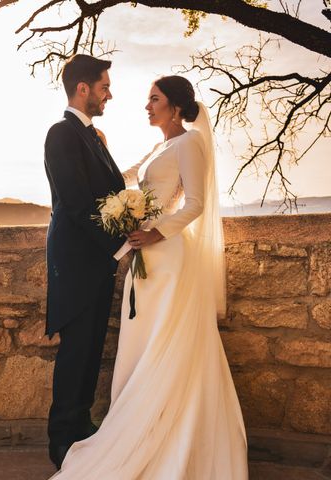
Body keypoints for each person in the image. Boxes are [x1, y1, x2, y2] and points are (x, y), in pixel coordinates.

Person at [48, 75, 248, 479]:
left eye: (154, 99)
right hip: (147, 257)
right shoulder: (162, 145)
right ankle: (144, 424)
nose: (146, 106)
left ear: (175, 107)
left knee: (168, 344)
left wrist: (156, 232)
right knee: (146, 346)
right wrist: (96, 144)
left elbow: (195, 204)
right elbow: (120, 180)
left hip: (168, 255)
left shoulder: (190, 142)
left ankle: (175, 434)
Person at [43, 54, 128, 470]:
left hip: (97, 265)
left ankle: (81, 429)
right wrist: (120, 246)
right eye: (104, 86)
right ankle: (61, 441)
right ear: (83, 89)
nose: (108, 93)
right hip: (76, 265)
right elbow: (76, 204)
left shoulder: (95, 137)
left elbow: (111, 195)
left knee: (92, 351)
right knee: (76, 352)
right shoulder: (61, 134)